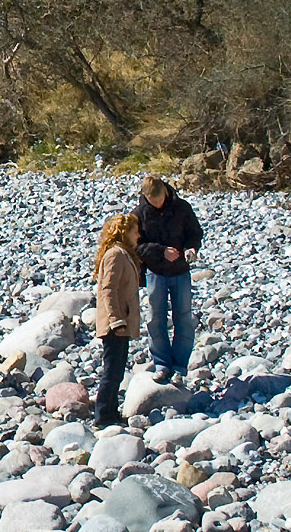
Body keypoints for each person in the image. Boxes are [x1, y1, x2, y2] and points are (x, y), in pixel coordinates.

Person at [134, 175, 203, 382]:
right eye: (153, 202)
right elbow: (135, 246)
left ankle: (180, 367)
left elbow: (195, 233)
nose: (158, 204)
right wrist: (160, 251)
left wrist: (192, 248)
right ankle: (162, 364)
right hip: (156, 273)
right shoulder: (139, 214)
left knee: (184, 318)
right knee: (156, 319)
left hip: (181, 271)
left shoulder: (182, 207)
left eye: (160, 199)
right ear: (146, 197)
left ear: (165, 191)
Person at [93, 213, 144, 427]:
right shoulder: (115, 254)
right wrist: (116, 321)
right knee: (112, 370)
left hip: (121, 322)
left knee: (117, 370)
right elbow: (108, 289)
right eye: (135, 231)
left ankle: (111, 413)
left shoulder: (124, 254)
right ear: (124, 232)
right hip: (115, 325)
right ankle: (103, 416)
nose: (139, 235)